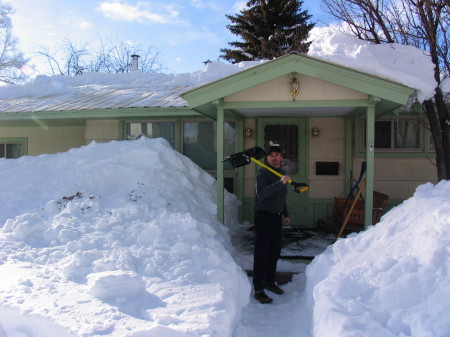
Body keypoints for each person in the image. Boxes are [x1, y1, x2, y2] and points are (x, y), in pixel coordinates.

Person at [253, 145, 291, 304]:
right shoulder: (263, 173)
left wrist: (285, 213)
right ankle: (258, 289)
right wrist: (280, 183)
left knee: (274, 252)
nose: (274, 158)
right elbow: (261, 194)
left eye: (277, 155)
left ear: (281, 158)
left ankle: (269, 282)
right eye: (271, 155)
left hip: (276, 217)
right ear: (267, 158)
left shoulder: (281, 174)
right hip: (264, 216)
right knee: (262, 253)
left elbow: (281, 197)